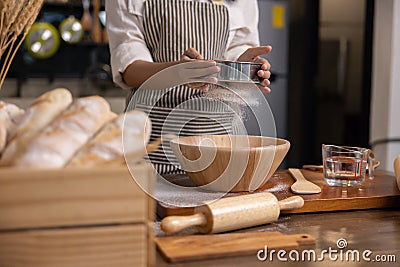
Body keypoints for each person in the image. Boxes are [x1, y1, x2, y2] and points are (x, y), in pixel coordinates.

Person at [106, 0, 272, 174]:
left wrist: (243, 70)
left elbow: (237, 47)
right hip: (154, 144)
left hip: (221, 137)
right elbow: (128, 69)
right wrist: (174, 73)